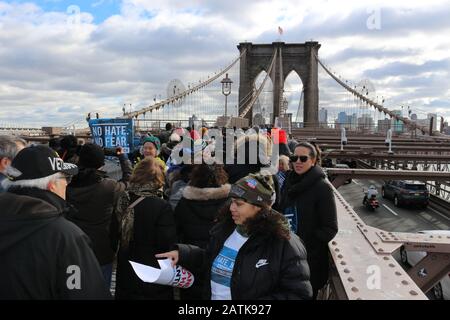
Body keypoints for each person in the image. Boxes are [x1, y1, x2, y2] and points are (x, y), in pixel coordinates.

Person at [156, 173, 312, 300]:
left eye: (239, 204)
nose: (231, 208)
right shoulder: (226, 230)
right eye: (231, 202)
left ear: (259, 207)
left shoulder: (284, 242)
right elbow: (212, 259)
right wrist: (183, 254)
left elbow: (299, 294)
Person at [0, 145, 110, 299]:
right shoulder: (66, 237)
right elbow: (83, 292)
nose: (67, 183)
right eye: (65, 177)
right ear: (52, 185)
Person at [66, 143, 132, 287]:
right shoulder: (108, 187)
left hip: (73, 247)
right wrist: (122, 157)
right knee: (101, 290)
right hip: (102, 250)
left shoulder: (66, 184)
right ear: (100, 164)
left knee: (75, 291)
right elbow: (128, 180)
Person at [279, 142, 338, 299]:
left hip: (308, 262)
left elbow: (330, 228)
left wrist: (304, 245)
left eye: (303, 158)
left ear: (313, 161)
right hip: (284, 256)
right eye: (294, 157)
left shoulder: (322, 187)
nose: (297, 161)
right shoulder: (288, 181)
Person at [114, 157, 177, 300]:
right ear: (159, 180)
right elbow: (166, 243)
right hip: (152, 273)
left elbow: (113, 235)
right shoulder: (161, 206)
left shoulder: (123, 199)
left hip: (126, 269)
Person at [174, 164, 230, 300]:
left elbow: (176, 231)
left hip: (190, 258)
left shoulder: (184, 202)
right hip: (222, 259)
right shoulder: (230, 202)